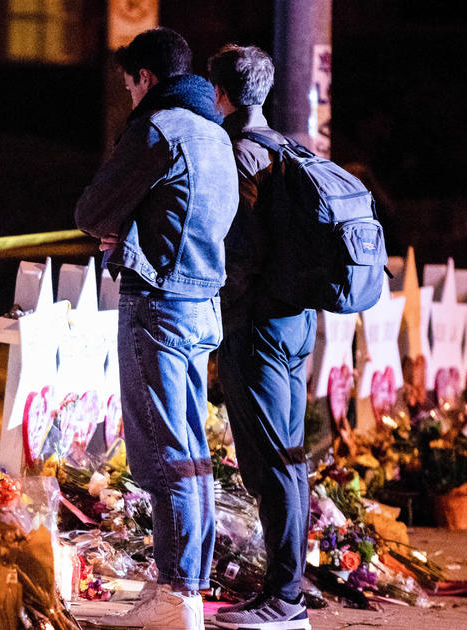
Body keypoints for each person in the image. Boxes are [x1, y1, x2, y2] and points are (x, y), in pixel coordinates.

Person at [74, 27, 238, 630]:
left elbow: (91, 210)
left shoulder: (159, 128)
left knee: (167, 452)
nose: (129, 96)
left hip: (159, 305)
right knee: (193, 452)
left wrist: (121, 228)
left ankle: (176, 595)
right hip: (202, 305)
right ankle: (185, 586)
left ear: (146, 78)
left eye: (129, 84)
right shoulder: (216, 135)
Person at [207, 44, 314, 630]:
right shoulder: (291, 148)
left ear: (220, 94)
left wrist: (220, 302)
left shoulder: (237, 154)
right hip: (299, 322)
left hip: (258, 325)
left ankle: (286, 597)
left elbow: (240, 253)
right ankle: (288, 584)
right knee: (290, 457)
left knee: (271, 460)